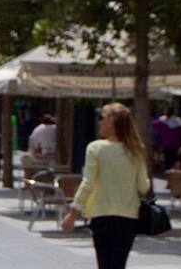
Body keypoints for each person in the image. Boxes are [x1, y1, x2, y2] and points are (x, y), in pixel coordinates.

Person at [60, 103, 151, 269]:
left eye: (102, 118)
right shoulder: (136, 149)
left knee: (104, 264)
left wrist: (73, 213)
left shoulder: (95, 148)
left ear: (112, 122)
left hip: (102, 215)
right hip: (128, 216)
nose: (99, 122)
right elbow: (143, 186)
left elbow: (87, 183)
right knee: (119, 264)